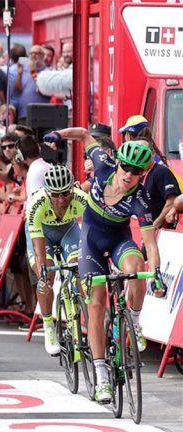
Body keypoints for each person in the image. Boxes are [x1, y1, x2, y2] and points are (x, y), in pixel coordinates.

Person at [44, 130, 163, 403]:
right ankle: (101, 377)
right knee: (96, 303)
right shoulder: (101, 164)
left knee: (137, 266)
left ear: (143, 174)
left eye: (136, 171)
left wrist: (154, 273)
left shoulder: (141, 199)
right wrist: (58, 134)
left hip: (120, 239)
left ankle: (133, 322)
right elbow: (84, 134)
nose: (129, 174)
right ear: (117, 161)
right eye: (125, 167)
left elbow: (150, 244)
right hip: (91, 241)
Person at [25, 165, 88, 355]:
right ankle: (48, 327)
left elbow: (90, 235)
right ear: (47, 192)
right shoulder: (37, 204)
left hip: (68, 230)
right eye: (55, 195)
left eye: (66, 193)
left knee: (81, 270)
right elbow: (37, 247)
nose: (61, 200)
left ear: (73, 189)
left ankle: (82, 313)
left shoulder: (81, 199)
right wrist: (43, 270)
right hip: (42, 234)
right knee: (46, 279)